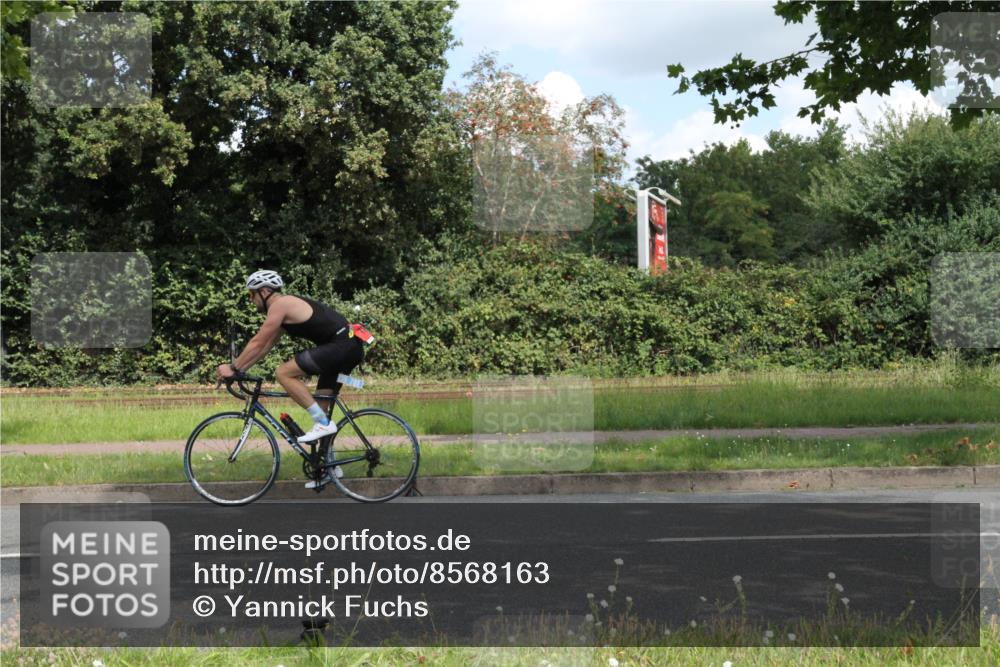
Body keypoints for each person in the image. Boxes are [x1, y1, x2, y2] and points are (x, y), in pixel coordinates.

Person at [216, 269, 364, 487]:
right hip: (346, 347)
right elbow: (265, 346)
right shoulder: (283, 312)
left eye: (251, 295)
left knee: (283, 373)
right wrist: (240, 370)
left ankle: (323, 423)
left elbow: (257, 342)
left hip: (341, 346)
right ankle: (330, 467)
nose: (251, 300)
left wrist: (231, 367)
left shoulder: (280, 305)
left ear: (264, 291)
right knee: (321, 408)